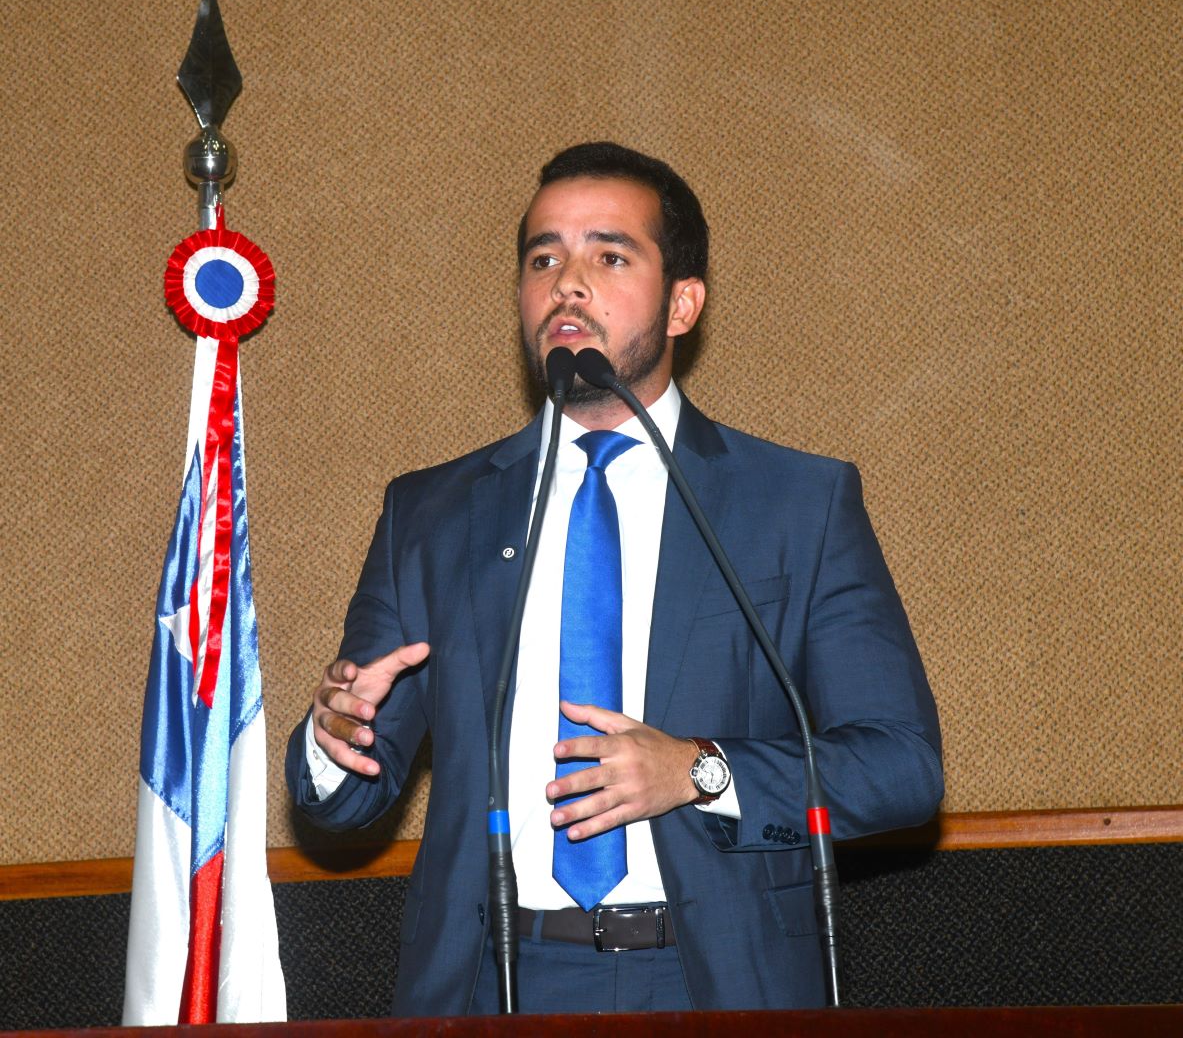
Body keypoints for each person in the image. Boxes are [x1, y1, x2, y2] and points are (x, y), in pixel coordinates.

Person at [286, 142, 943, 1016]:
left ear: (682, 303)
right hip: (489, 986)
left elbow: (899, 768)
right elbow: (344, 804)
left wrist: (700, 772)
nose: (567, 283)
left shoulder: (795, 504)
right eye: (543, 259)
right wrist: (334, 737)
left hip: (714, 986)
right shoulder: (432, 514)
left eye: (609, 257)